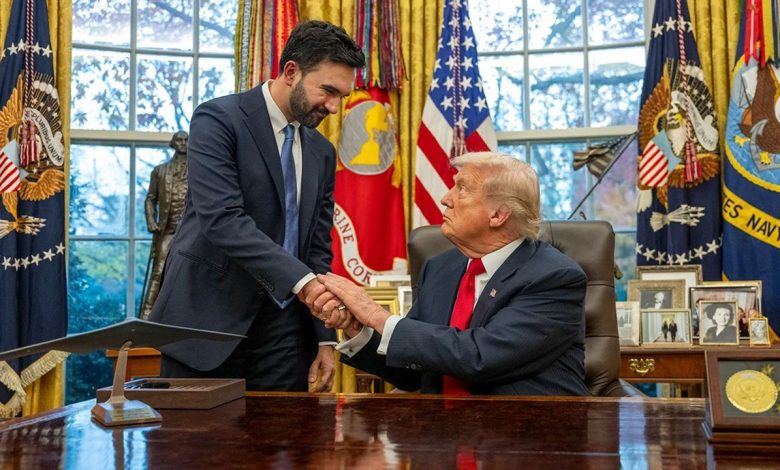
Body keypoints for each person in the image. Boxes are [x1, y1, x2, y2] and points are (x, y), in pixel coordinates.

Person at [148, 21, 365, 391]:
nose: (333, 107)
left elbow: (316, 247)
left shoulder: (322, 152)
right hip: (206, 323)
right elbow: (223, 220)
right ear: (291, 72)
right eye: (328, 91)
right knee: (193, 431)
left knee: (286, 429)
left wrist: (324, 338)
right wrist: (305, 284)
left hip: (286, 334)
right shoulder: (218, 120)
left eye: (341, 96)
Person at [315, 152, 590, 396]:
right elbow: (413, 372)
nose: (445, 198)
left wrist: (375, 315)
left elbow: (481, 357)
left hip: (528, 431)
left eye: (462, 188)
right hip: (444, 431)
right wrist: (358, 328)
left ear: (498, 215)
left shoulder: (554, 277)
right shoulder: (439, 268)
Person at [140, 131, 189, 320]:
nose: (183, 143)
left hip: (191, 232)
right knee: (159, 270)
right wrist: (151, 221)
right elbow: (150, 199)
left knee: (189, 274)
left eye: (186, 140)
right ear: (173, 143)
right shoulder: (160, 171)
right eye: (179, 140)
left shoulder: (200, 171)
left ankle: (185, 318)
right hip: (167, 230)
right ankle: (147, 316)